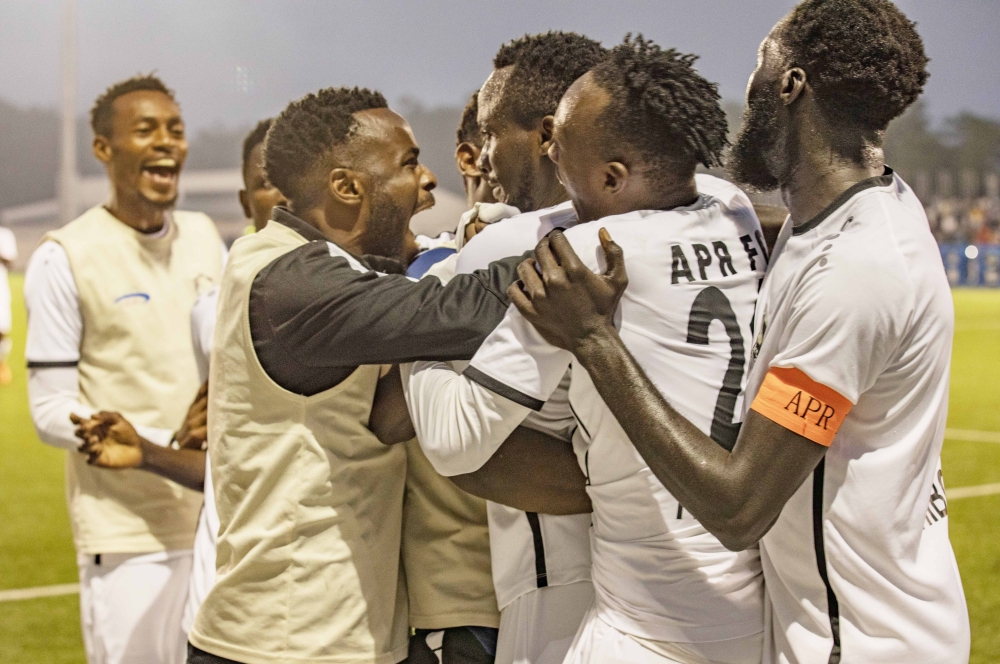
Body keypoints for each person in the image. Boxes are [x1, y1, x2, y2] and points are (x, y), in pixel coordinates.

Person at [506, 2, 970, 662]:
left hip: (859, 641)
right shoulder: (860, 209)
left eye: (760, 64)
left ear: (791, 84)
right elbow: (783, 225)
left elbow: (738, 507)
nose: (746, 88)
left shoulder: (855, 276)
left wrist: (592, 339)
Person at [405, 35, 766, 664]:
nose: (547, 154)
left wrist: (428, 290)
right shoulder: (730, 208)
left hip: (614, 610)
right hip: (744, 609)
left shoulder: (575, 257)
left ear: (612, 174)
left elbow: (451, 439)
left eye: (557, 143)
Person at [186, 87, 534, 664]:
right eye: (406, 163)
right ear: (347, 187)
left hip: (329, 632)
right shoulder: (291, 280)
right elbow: (461, 311)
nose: (425, 180)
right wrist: (589, 234)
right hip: (290, 640)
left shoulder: (302, 265)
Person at [24, 74, 226, 664]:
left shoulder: (204, 236)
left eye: (176, 130)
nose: (166, 143)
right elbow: (47, 408)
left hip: (213, 521)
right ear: (104, 149)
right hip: (127, 536)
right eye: (145, 131)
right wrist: (157, 441)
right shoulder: (67, 255)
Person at [73, 117, 289, 639]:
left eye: (296, 180)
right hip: (240, 584)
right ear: (244, 202)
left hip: (341, 587)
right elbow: (224, 461)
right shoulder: (215, 312)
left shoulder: (377, 294)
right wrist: (151, 449)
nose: (284, 199)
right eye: (267, 183)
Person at [433, 32, 608, 664]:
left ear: (544, 135)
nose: (482, 156)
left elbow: (471, 456)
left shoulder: (503, 250)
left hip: (557, 575)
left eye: (491, 133)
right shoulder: (691, 218)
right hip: (688, 565)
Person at [0, 224, 17, 385]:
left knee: (1, 329)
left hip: (0, 288)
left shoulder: (4, 234)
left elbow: (10, 261)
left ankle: (1, 364)